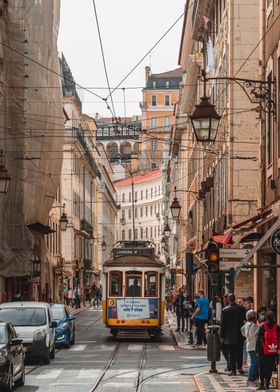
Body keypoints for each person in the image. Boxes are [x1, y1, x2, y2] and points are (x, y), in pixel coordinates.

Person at [219, 293, 246, 375]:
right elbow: (244, 321)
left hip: (229, 335)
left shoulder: (225, 310)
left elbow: (222, 324)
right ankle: (239, 367)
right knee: (239, 352)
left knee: (231, 353)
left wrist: (221, 335)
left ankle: (233, 370)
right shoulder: (241, 309)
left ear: (228, 300)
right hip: (239, 334)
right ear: (235, 299)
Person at [256, 310, 280, 390]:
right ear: (273, 317)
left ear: (266, 317)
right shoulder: (277, 327)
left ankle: (262, 384)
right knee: (269, 367)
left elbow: (258, 339)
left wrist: (257, 350)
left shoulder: (262, 326)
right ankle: (267, 384)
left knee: (262, 367)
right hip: (272, 350)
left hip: (262, 350)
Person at [241, 310, 259, 387]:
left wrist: (246, 336)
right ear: (254, 317)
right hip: (253, 347)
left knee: (254, 363)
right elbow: (254, 337)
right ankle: (250, 379)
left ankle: (253, 379)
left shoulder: (247, 324)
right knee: (253, 363)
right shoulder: (254, 326)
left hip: (249, 345)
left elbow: (242, 329)